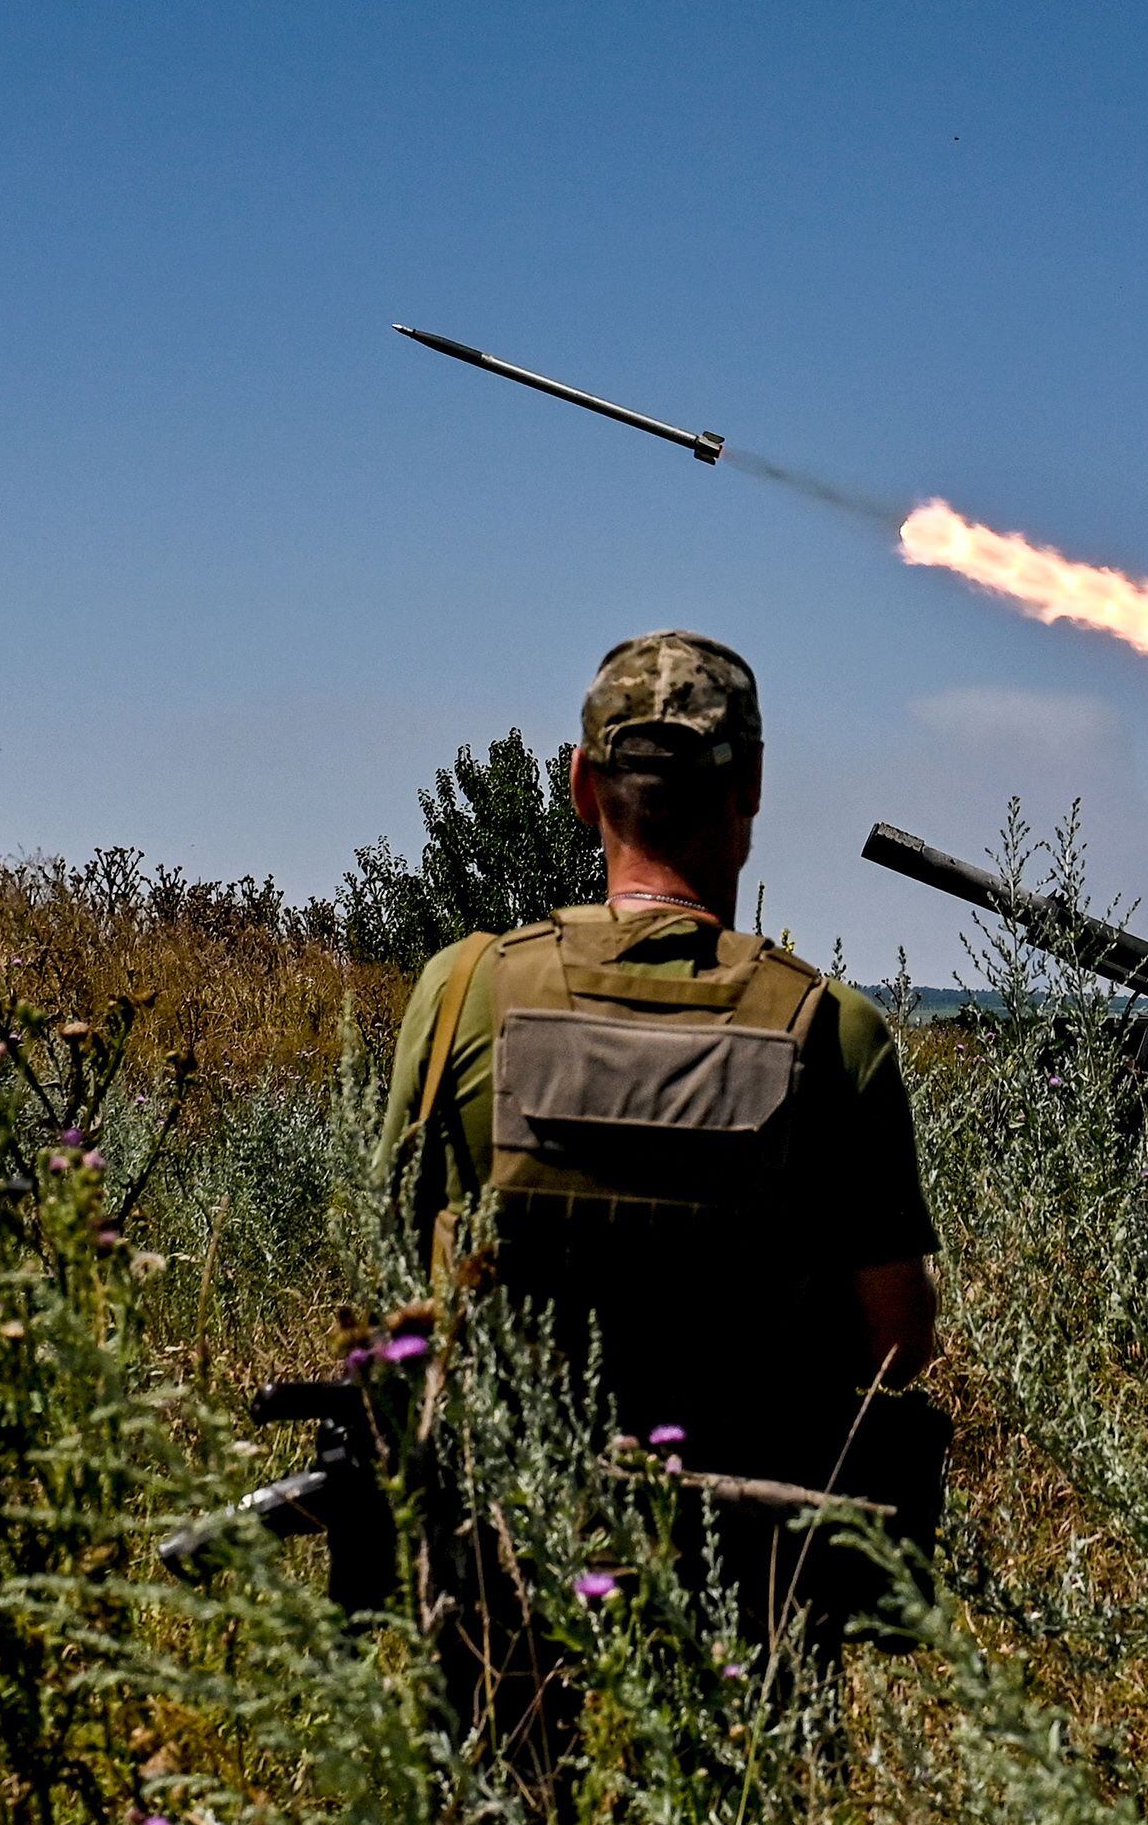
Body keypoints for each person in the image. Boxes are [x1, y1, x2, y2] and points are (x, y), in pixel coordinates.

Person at [383, 632, 942, 1759]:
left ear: (583, 786)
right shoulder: (832, 1033)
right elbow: (894, 1339)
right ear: (750, 791)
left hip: (513, 1570)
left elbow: (411, 1255)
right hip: (749, 1592)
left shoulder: (464, 994)